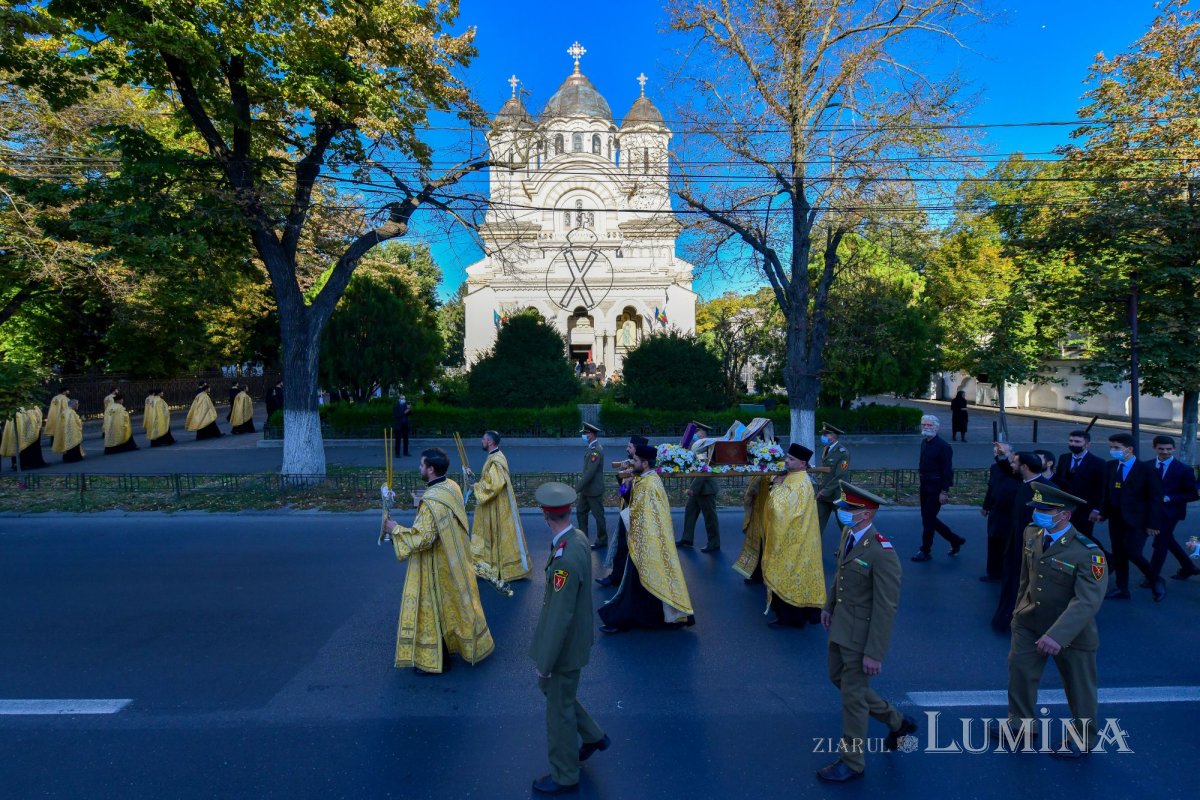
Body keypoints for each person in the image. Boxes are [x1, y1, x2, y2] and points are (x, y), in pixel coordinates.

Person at [989, 483, 1107, 759]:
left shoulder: (1088, 552)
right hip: (1029, 622)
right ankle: (1020, 724)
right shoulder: (1033, 533)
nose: (1038, 513)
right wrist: (1018, 611)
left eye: (1045, 509)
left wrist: (1058, 635)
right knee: (1020, 672)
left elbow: (1087, 601)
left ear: (1064, 515)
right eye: (1037, 508)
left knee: (1079, 686)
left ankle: (1082, 739)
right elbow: (1026, 578)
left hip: (1071, 633)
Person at [816, 481, 916, 783]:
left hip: (861, 636)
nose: (843, 512)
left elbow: (887, 607)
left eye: (850, 509)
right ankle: (896, 721)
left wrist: (875, 652)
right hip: (842, 626)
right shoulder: (849, 534)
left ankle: (853, 762)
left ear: (867, 514)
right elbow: (841, 574)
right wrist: (829, 605)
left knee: (853, 698)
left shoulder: (882, 552)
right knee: (839, 679)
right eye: (844, 506)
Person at [381, 448, 494, 674]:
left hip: (435, 564)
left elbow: (424, 537)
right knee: (453, 605)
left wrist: (395, 530)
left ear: (431, 469)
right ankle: (463, 645)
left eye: (422, 465)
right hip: (454, 558)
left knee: (432, 608)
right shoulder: (451, 486)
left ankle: (438, 660)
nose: (419, 468)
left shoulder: (432, 500)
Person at [529, 482, 609, 795]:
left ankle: (565, 775)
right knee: (559, 694)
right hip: (575, 641)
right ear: (569, 510)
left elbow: (560, 615)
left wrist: (545, 662)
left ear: (545, 514)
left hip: (563, 648)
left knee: (558, 712)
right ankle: (593, 736)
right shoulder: (576, 539)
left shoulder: (563, 557)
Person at [598, 444, 694, 632]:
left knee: (635, 585)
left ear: (645, 463)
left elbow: (648, 516)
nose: (631, 463)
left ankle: (621, 620)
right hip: (641, 540)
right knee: (639, 586)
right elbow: (629, 500)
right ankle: (650, 618)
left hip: (648, 542)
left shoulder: (650, 485)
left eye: (635, 460)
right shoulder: (642, 479)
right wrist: (625, 487)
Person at [762, 443, 826, 628]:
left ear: (802, 463)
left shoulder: (798, 483)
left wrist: (775, 487)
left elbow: (780, 510)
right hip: (800, 538)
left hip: (792, 542)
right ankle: (803, 614)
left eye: (791, 459)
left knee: (788, 575)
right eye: (787, 457)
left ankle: (789, 619)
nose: (786, 461)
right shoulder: (795, 477)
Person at [1099, 432, 1164, 601]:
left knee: (1133, 552)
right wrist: (1102, 513)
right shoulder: (1110, 466)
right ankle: (1122, 588)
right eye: (1111, 447)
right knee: (1119, 553)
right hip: (1116, 519)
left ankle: (1155, 579)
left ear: (1129, 449)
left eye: (1117, 448)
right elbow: (1108, 493)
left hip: (1138, 520)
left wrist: (1153, 524)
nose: (1113, 450)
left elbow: (1155, 499)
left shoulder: (1147, 470)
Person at [992, 452, 1051, 631]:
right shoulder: (1024, 483)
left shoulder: (1047, 490)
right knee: (1011, 581)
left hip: (1032, 547)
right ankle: (1006, 616)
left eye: (1015, 463)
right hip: (1015, 543)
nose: (1012, 466)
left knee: (1025, 584)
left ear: (1024, 467)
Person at [470, 430, 531, 583]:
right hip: (495, 502)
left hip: (496, 504)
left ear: (490, 442)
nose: (481, 441)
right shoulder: (494, 456)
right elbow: (489, 479)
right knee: (494, 534)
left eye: (483, 439)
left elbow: (494, 485)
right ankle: (492, 566)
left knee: (496, 532)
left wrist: (476, 487)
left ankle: (498, 568)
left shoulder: (496, 460)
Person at [595, 435, 647, 588]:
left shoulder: (639, 473)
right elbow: (622, 491)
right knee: (622, 546)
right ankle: (618, 577)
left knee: (623, 547)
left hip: (632, 515)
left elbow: (627, 493)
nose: (627, 449)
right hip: (626, 512)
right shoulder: (633, 468)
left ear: (636, 451)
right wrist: (622, 476)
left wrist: (625, 480)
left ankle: (616, 578)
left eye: (630, 447)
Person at [912, 415, 965, 561]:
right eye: (924, 425)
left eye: (929, 425)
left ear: (936, 427)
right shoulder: (924, 442)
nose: (926, 427)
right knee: (928, 518)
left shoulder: (944, 446)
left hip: (936, 486)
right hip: (925, 485)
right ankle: (955, 540)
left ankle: (925, 551)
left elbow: (947, 470)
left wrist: (944, 491)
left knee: (928, 519)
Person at [1148, 436, 1200, 581]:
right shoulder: (1146, 466)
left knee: (1161, 543)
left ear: (1174, 449)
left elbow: (1192, 494)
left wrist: (1170, 498)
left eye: (1168, 449)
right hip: (1151, 511)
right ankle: (1188, 567)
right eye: (1161, 449)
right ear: (1154, 448)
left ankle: (1152, 577)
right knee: (1166, 540)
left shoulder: (1184, 470)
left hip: (1170, 512)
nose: (1165, 452)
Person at [1053, 430, 1106, 538]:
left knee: (1082, 537)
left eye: (1077, 442)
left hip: (1084, 509)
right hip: (1064, 507)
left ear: (1087, 445)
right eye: (1071, 441)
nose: (1073, 444)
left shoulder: (1098, 463)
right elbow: (1058, 480)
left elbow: (1101, 488)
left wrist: (1096, 509)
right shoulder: (1064, 458)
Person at [980, 442, 1018, 583]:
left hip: (1010, 512)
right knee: (993, 539)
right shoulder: (995, 468)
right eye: (996, 452)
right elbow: (991, 488)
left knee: (1007, 542)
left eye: (1002, 452)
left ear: (1012, 454)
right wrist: (986, 506)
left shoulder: (1016, 470)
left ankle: (1007, 571)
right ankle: (993, 572)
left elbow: (1007, 469)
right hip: (996, 510)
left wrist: (1002, 457)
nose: (998, 454)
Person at [678, 422, 720, 553]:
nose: (695, 435)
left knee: (710, 518)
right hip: (697, 488)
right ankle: (687, 539)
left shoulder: (707, 448)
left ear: (703, 434)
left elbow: (704, 470)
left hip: (706, 489)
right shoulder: (697, 446)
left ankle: (714, 543)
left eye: (698, 433)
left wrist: (692, 489)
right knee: (690, 512)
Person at [814, 422, 852, 540]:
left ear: (834, 436)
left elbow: (840, 476)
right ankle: (812, 550)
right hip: (824, 494)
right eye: (823, 434)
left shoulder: (843, 453)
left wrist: (825, 490)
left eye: (826, 434)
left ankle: (850, 549)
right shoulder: (826, 448)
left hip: (837, 495)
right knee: (817, 524)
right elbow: (826, 472)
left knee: (844, 525)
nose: (823, 437)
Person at [732, 474, 771, 584]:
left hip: (760, 513)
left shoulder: (761, 474)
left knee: (759, 544)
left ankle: (758, 574)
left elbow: (750, 493)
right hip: (773, 514)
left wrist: (748, 502)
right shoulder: (780, 472)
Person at [575, 423, 607, 550]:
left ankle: (602, 539)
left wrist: (576, 489)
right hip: (586, 490)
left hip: (594, 490)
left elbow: (590, 473)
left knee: (598, 515)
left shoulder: (596, 450)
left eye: (585, 433)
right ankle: (583, 539)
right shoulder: (591, 448)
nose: (584, 436)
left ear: (592, 434)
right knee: (580, 512)